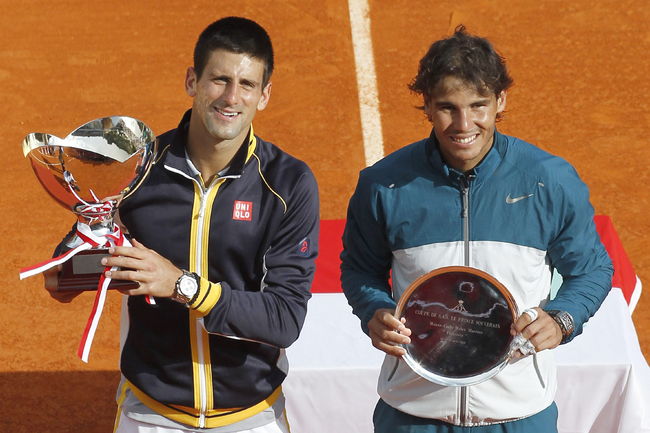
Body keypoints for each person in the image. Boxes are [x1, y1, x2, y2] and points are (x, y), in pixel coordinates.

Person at [45, 16, 319, 433]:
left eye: (246, 84)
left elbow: (284, 318)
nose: (231, 97)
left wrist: (181, 285)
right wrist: (78, 254)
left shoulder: (287, 184)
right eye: (219, 79)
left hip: (252, 419)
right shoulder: (138, 171)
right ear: (193, 81)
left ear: (264, 95)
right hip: (150, 415)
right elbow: (60, 283)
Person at [340, 25, 612, 432]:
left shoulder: (549, 181)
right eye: (447, 107)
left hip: (519, 414)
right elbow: (361, 269)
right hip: (414, 412)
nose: (463, 124)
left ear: (501, 101)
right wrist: (374, 311)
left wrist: (563, 319)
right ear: (426, 104)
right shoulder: (384, 185)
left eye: (478, 106)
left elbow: (592, 269)